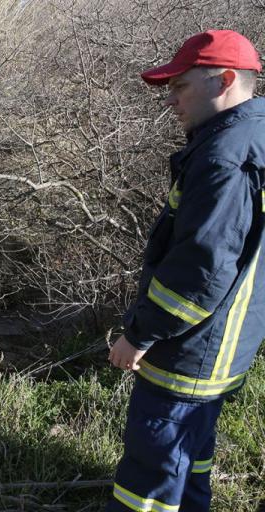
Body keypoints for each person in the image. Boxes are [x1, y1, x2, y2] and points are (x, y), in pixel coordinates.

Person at [107, 30, 265, 512]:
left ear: (225, 80)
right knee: (191, 455)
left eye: (180, 86)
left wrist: (139, 335)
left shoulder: (224, 157)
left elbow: (200, 270)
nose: (170, 99)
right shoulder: (253, 132)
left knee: (151, 472)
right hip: (229, 341)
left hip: (192, 349)